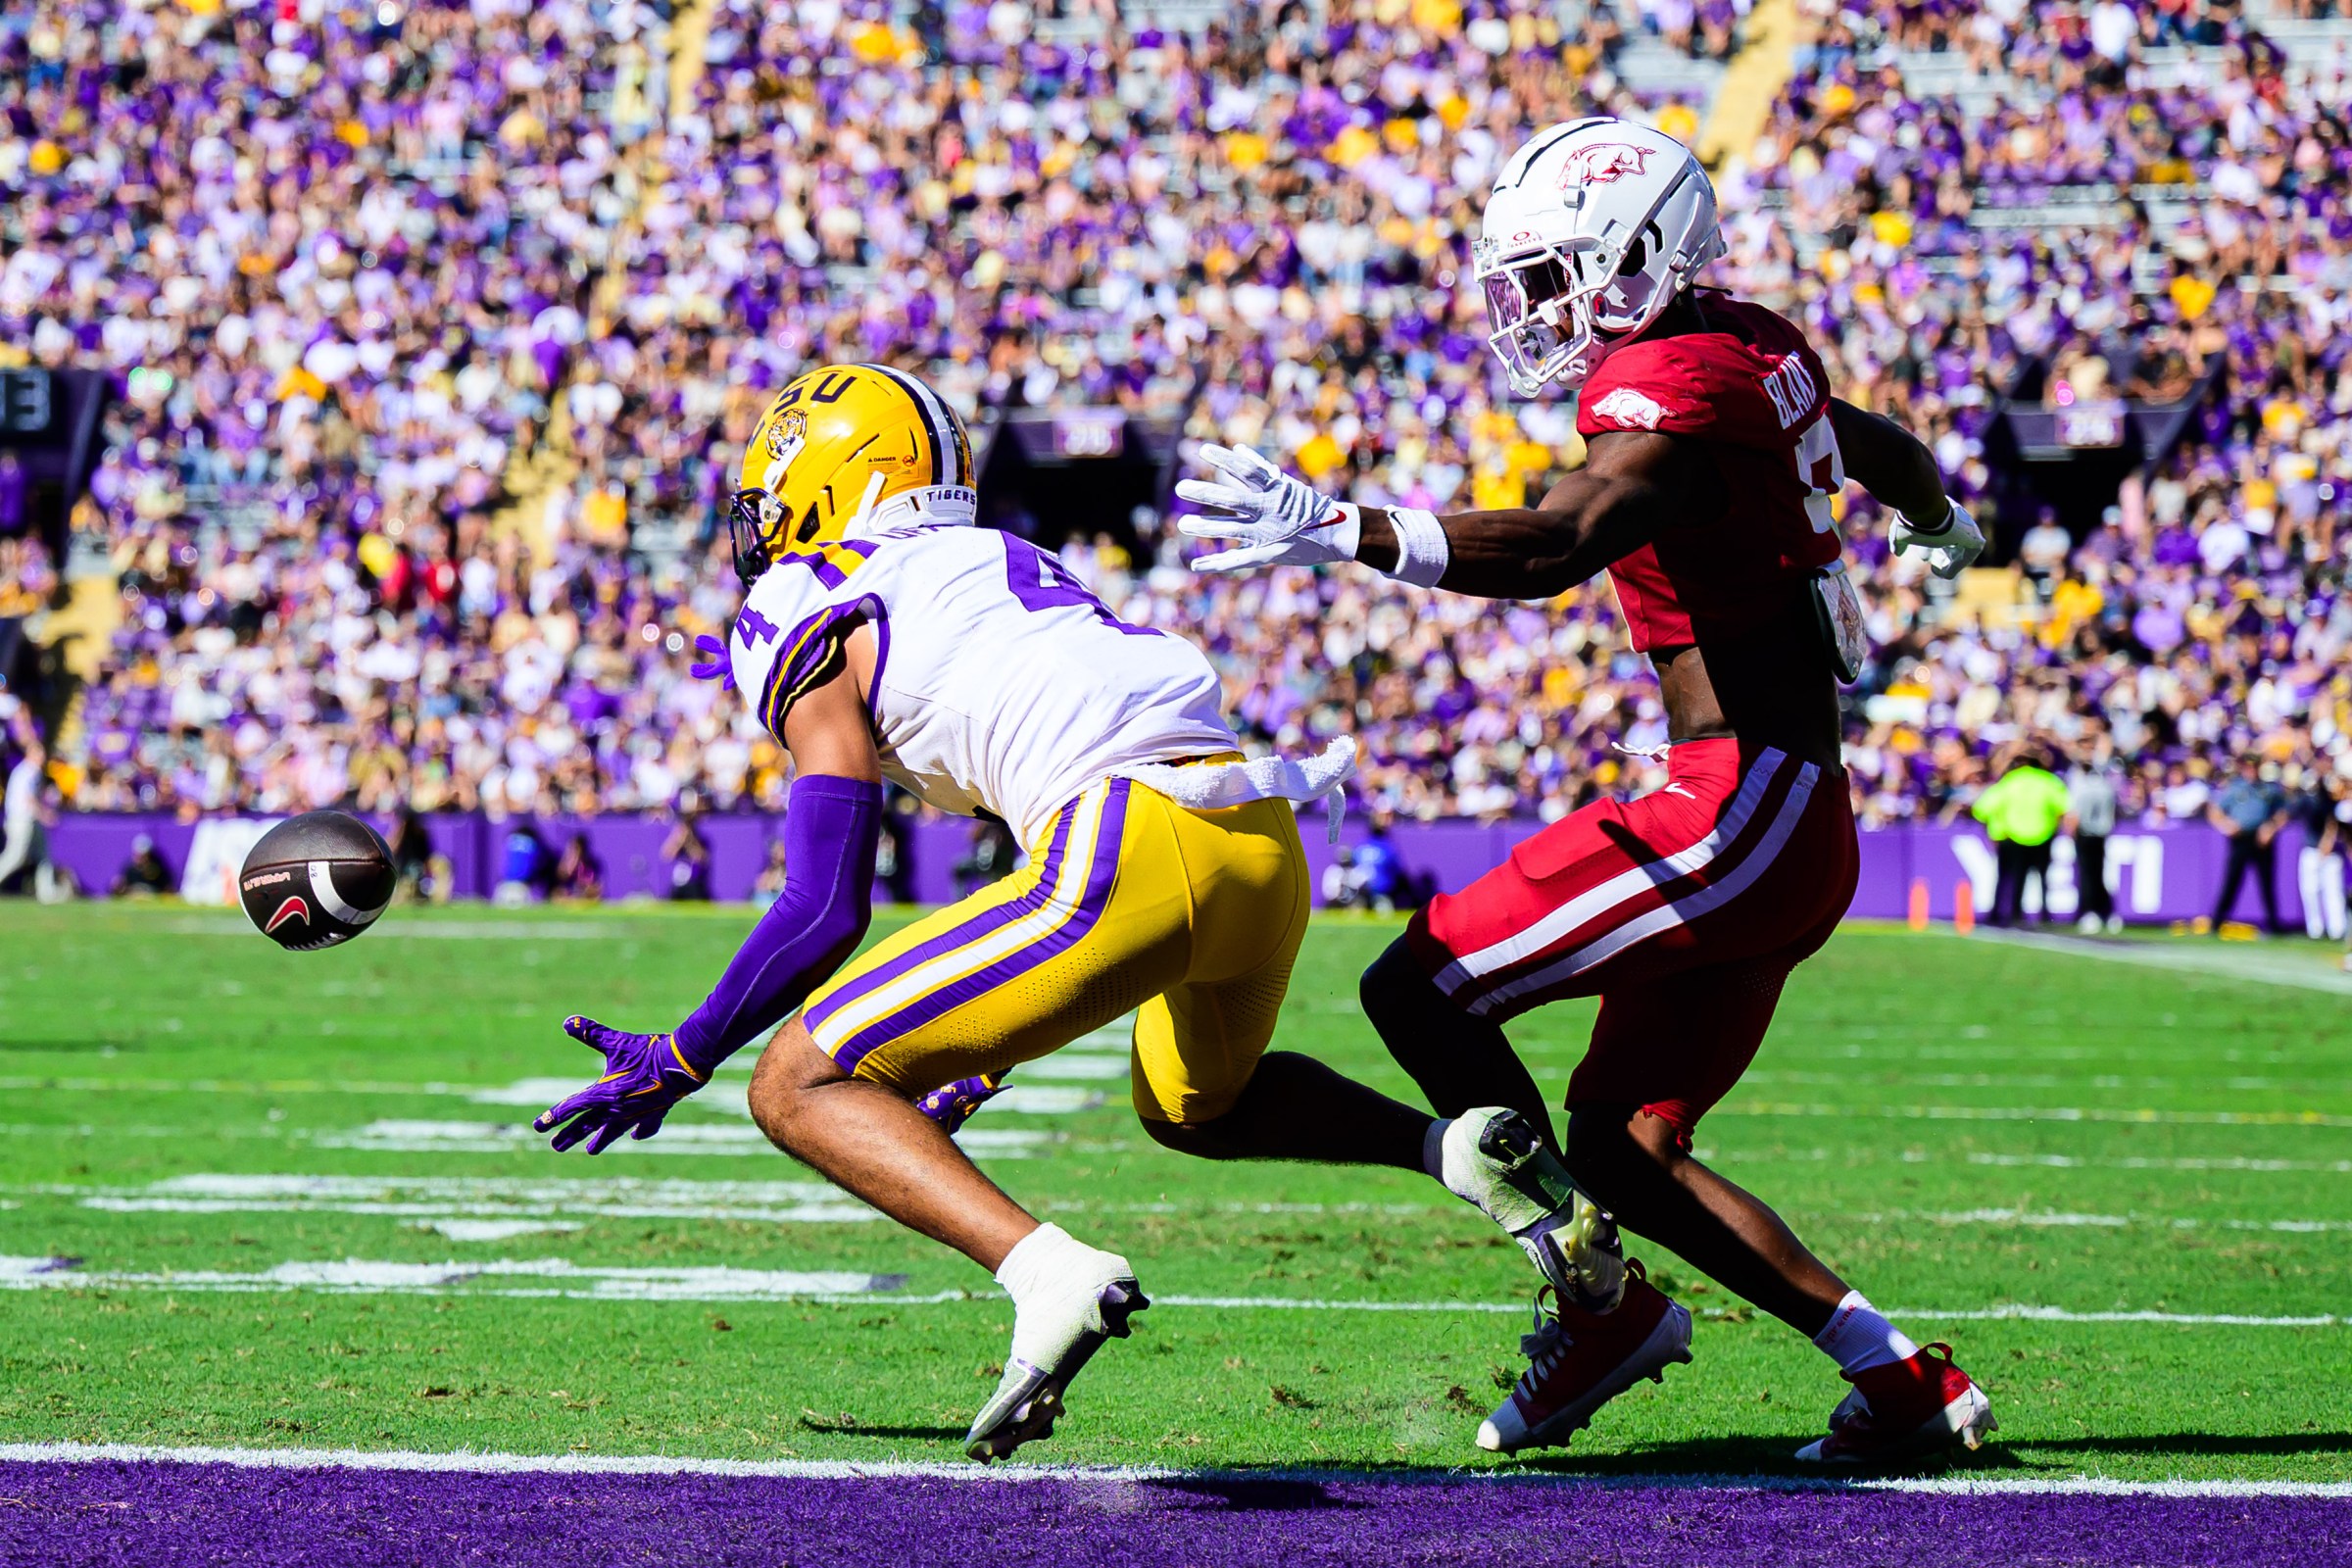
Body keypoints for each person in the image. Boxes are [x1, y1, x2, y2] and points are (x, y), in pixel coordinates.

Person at [531, 365, 1587, 1463]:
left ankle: (1049, 1275)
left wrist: (685, 1051)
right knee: (1193, 1106)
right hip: (1258, 840)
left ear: (838, 476)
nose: (764, 523)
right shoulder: (1007, 559)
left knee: (794, 1081)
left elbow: (822, 906)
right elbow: (1041, 796)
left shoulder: (803, 601)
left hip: (1122, 842)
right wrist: (988, 1038)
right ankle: (1455, 1148)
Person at [1177, 118, 1993, 1466]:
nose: (1538, 311)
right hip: (1787, 813)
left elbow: (1558, 543)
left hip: (1737, 810)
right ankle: (1903, 1381)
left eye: (1561, 277)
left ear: (1644, 257)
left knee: (1417, 986)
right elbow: (1872, 444)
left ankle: (1594, 1303)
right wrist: (1941, 517)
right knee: (1620, 1145)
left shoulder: (1669, 384)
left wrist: (1344, 529)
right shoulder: (1753, 342)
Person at [1973, 747, 2070, 927]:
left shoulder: (2009, 781)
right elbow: (2063, 807)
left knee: (2011, 878)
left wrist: (1997, 827)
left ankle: (2010, 914)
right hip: (2043, 835)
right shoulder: (2049, 781)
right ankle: (2045, 915)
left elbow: (1981, 809)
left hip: (2013, 836)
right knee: (2043, 878)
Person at [2207, 754, 2288, 935]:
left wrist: (2271, 827)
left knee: (2267, 883)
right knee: (2231, 881)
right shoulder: (2235, 788)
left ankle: (2274, 925)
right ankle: (2217, 922)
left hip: (2261, 840)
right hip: (2240, 839)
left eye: (2254, 766)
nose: (2251, 770)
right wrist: (2226, 825)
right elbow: (2215, 810)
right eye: (2248, 767)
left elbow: (2282, 812)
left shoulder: (2269, 789)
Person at [2065, 731, 2122, 933]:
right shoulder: (2080, 774)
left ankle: (2098, 911)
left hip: (2095, 830)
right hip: (2089, 830)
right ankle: (2097, 911)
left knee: (2094, 873)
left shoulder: (2099, 773)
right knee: (2090, 872)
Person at [2288, 765, 2344, 944]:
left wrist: (2328, 842)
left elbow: (2335, 824)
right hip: (2312, 848)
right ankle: (2316, 928)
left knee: (2333, 891)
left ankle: (2337, 928)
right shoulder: (2308, 801)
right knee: (2310, 890)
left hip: (2331, 852)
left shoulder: (2336, 803)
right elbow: (2292, 810)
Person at [111, 834, 173, 898]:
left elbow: (165, 888)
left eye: (144, 856)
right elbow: (123, 888)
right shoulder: (130, 869)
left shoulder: (158, 868)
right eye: (138, 855)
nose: (140, 858)